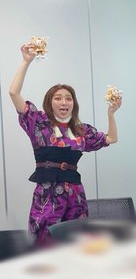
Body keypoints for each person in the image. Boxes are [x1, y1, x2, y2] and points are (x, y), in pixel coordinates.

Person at [8, 42, 122, 247]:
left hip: (75, 195)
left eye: (68, 98)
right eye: (58, 98)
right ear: (50, 102)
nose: (63, 102)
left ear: (73, 103)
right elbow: (14, 93)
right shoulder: (39, 123)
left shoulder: (80, 130)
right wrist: (26, 62)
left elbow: (111, 138)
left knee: (76, 243)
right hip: (47, 195)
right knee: (44, 243)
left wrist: (111, 113)